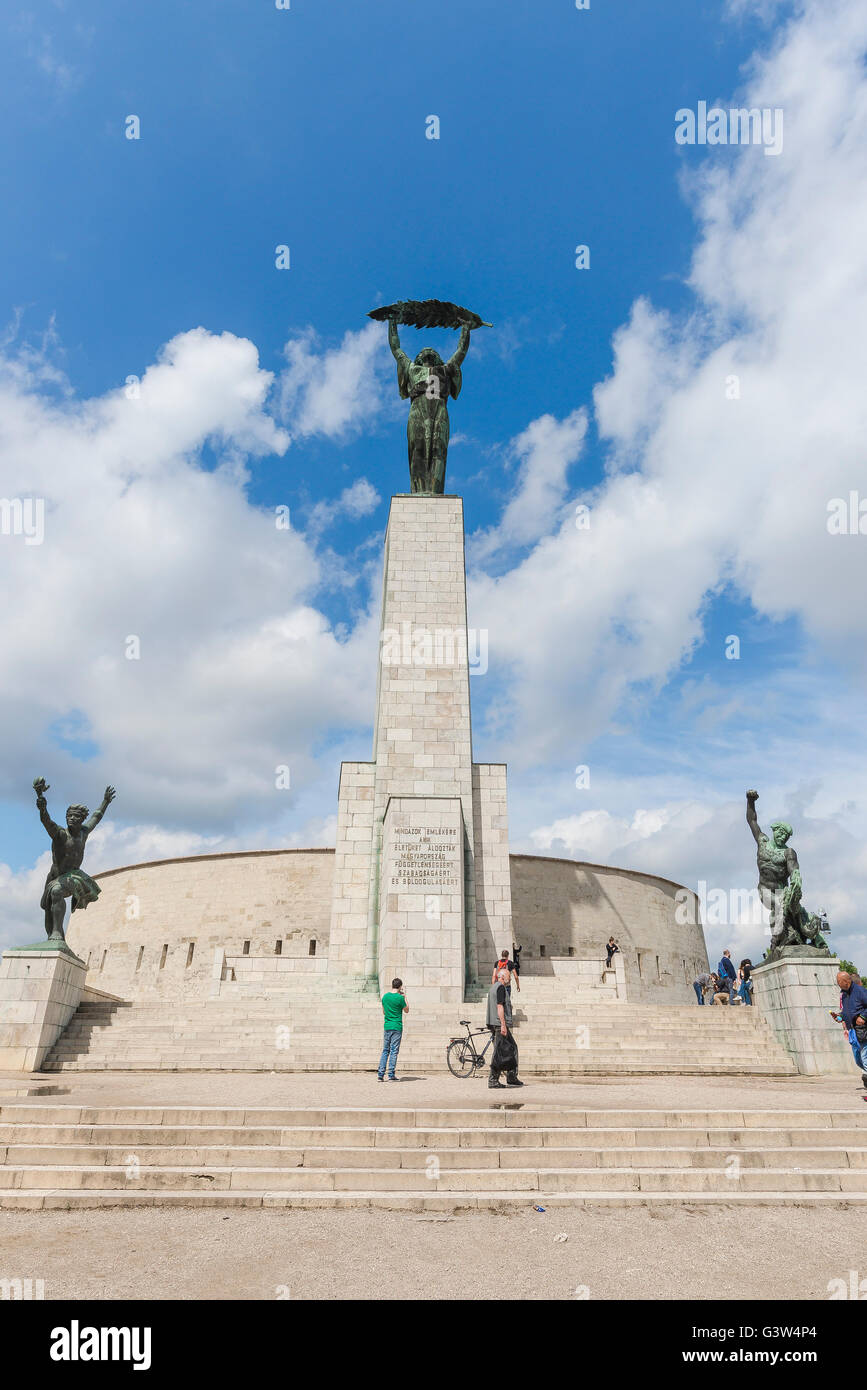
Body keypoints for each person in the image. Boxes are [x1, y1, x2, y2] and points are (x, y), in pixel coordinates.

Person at [832, 971, 867, 1097]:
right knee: (859, 1060)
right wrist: (840, 1017)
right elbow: (848, 1012)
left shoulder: (860, 991)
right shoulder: (845, 994)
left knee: (865, 1058)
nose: (838, 985)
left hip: (863, 1030)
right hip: (853, 1031)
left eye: (839, 982)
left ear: (846, 981)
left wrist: (863, 1016)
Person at [486, 975, 522, 1089]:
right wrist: (503, 1024)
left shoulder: (493, 987)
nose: (510, 979)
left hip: (493, 1022)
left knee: (508, 1048)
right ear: (502, 977)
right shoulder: (500, 988)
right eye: (508, 977)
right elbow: (500, 1006)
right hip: (499, 1024)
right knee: (501, 1052)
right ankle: (494, 1080)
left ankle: (511, 1076)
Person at [377, 978, 408, 1082]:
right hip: (397, 1026)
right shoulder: (400, 998)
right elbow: (407, 1010)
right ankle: (391, 1075)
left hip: (387, 1026)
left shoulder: (385, 997)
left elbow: (384, 1012)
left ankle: (380, 1075)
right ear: (400, 987)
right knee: (394, 1051)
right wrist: (405, 997)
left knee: (385, 1050)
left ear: (392, 985)